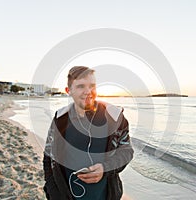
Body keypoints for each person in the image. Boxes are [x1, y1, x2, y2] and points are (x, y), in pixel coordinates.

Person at [43, 66, 134, 200]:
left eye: (92, 86)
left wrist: (105, 168)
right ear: (69, 91)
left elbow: (126, 151)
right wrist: (52, 191)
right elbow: (48, 157)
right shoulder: (60, 119)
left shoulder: (114, 117)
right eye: (81, 86)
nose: (88, 91)